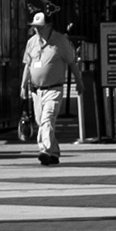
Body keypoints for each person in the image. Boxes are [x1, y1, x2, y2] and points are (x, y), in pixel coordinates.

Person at [18, 11, 80, 164]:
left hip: (54, 89)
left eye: (40, 27)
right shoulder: (31, 42)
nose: (37, 30)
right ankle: (54, 152)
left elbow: (72, 63)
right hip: (36, 90)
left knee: (47, 119)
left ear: (49, 26)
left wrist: (79, 82)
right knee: (42, 122)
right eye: (35, 27)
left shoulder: (61, 41)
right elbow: (27, 65)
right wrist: (23, 85)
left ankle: (45, 150)